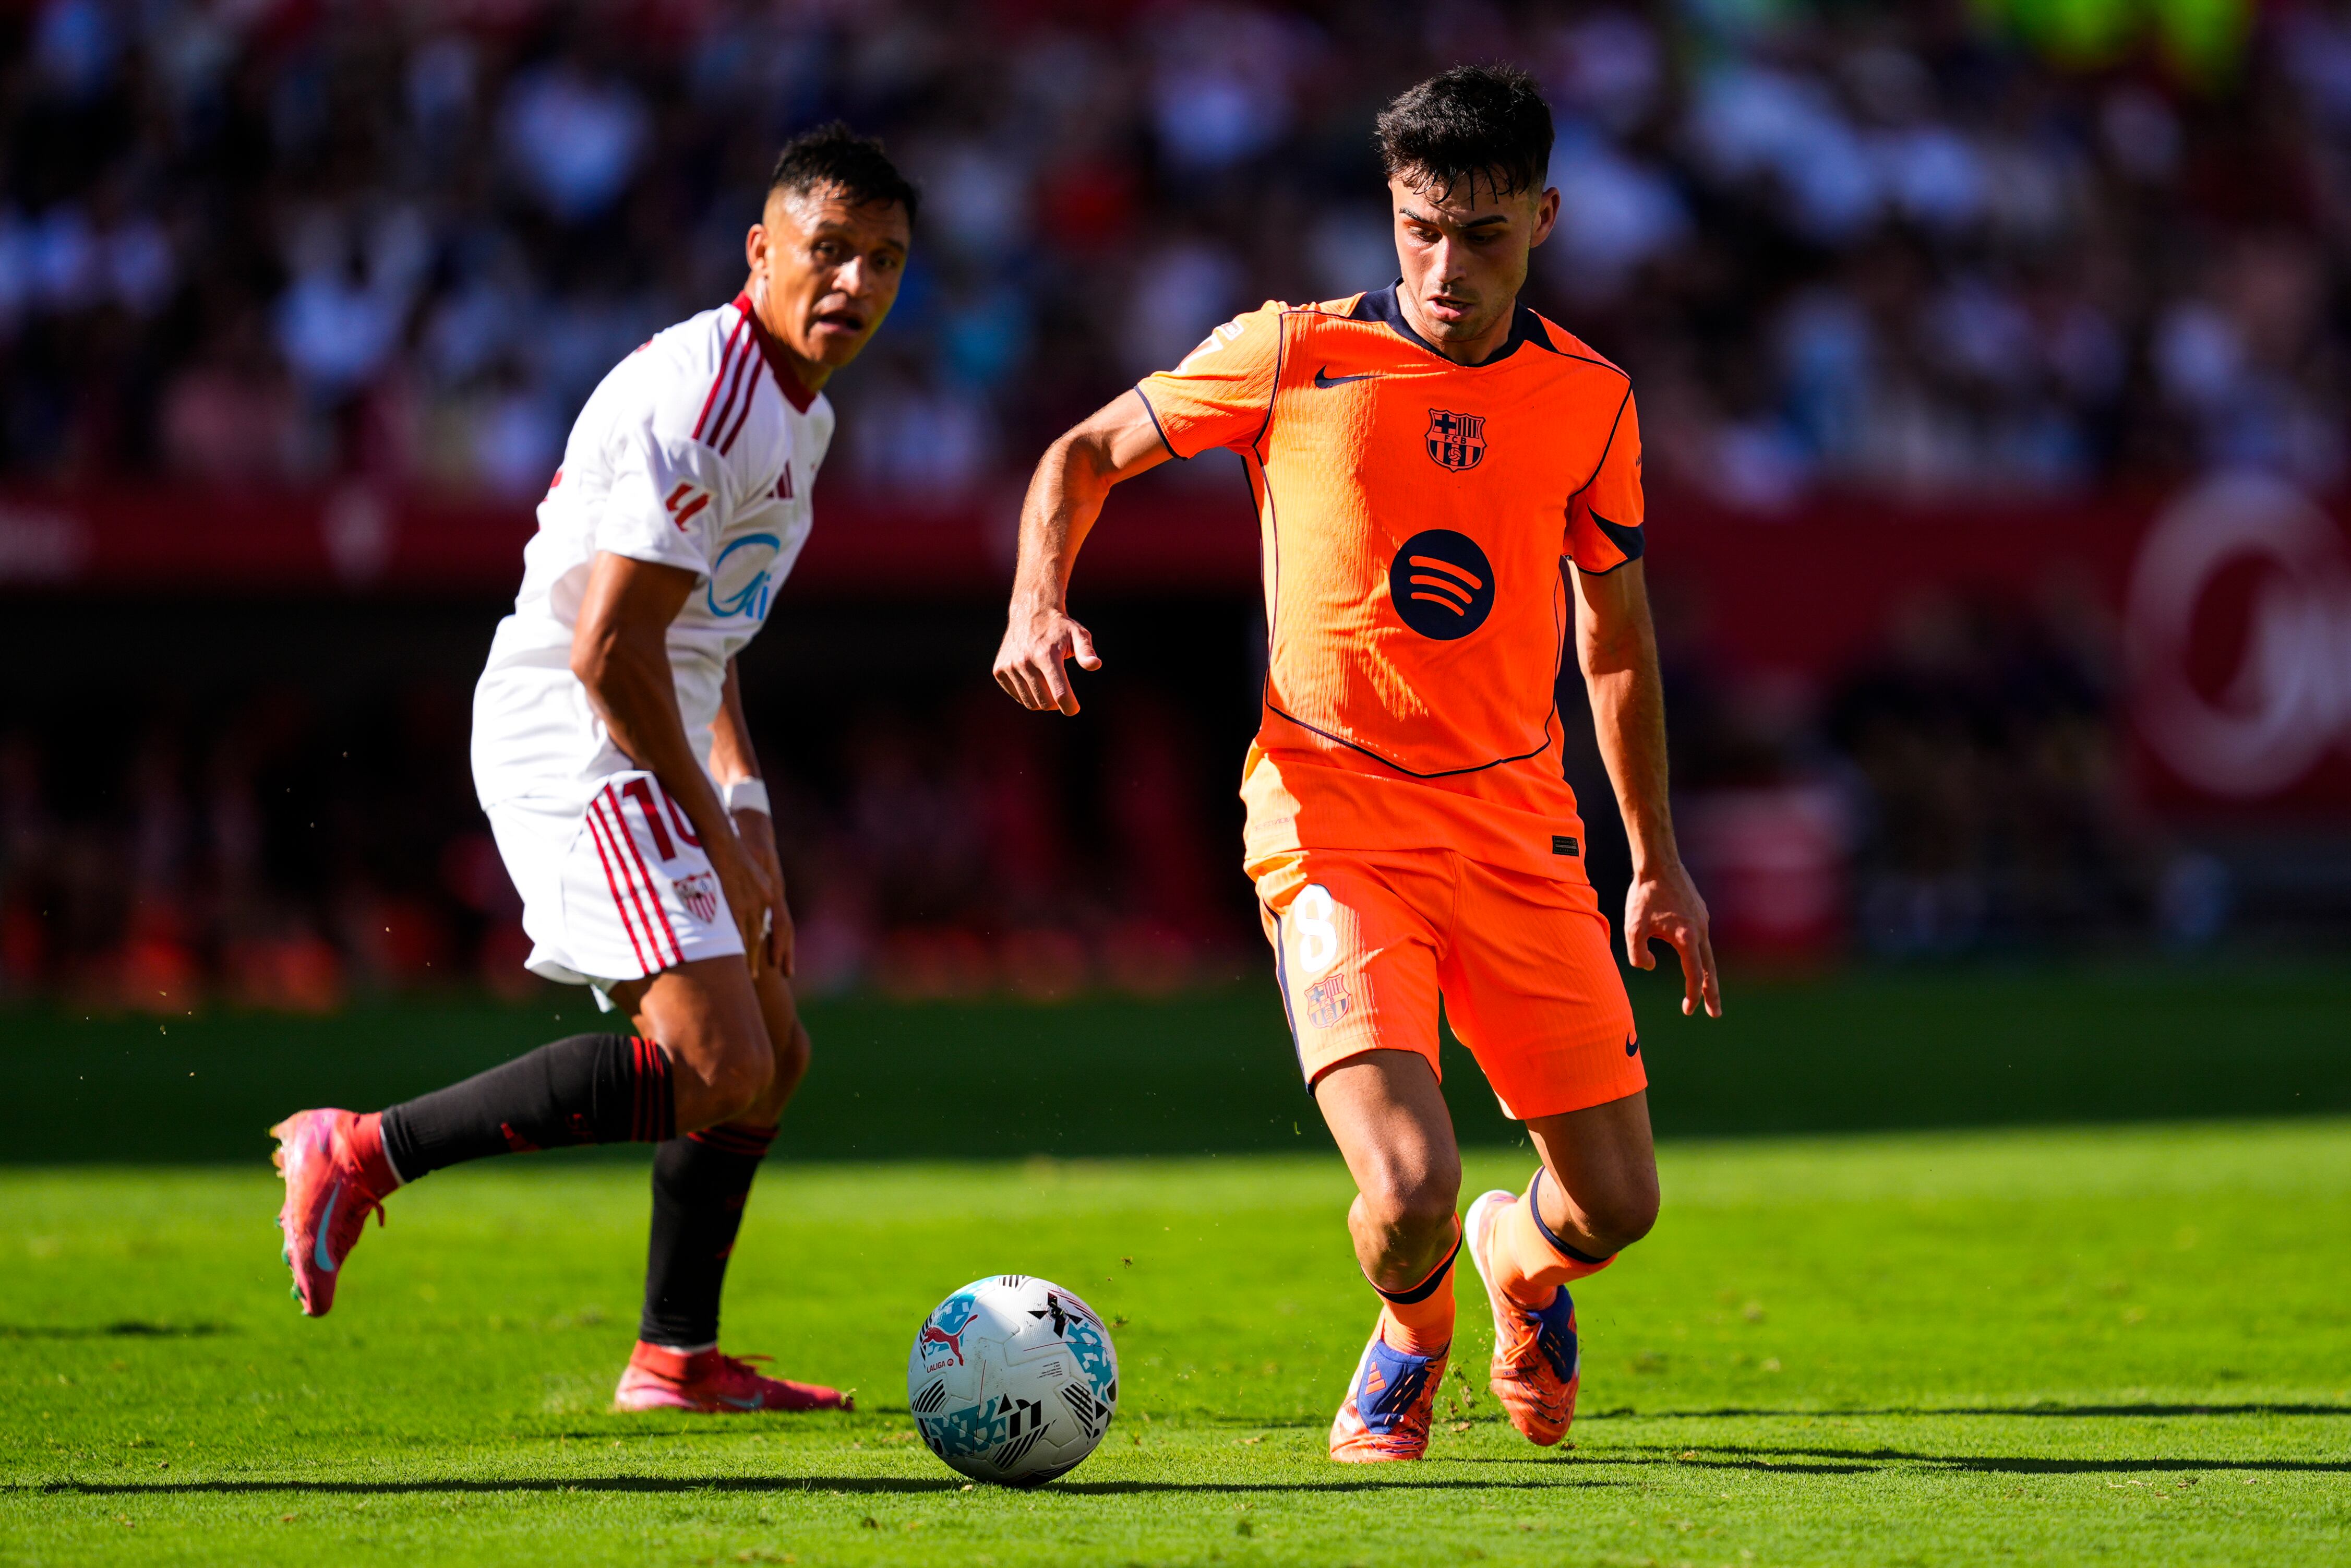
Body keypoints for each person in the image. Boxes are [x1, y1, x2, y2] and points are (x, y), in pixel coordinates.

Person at [992, 66, 1720, 1463]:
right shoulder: (1292, 352)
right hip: (1330, 820)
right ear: (1390, 213)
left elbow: (1614, 638)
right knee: (1405, 1183)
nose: (1446, 269)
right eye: (1419, 229)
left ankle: (1516, 1254)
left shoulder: (1593, 402)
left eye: (1486, 235)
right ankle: (1415, 1327)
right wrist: (1036, 600)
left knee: (1618, 1203)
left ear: (1546, 219)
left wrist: (1656, 858)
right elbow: (1082, 452)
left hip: (1519, 828)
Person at [269, 123, 915, 1415]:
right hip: (576, 730)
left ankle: (674, 1358)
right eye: (828, 251)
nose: (853, 284)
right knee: (719, 1061)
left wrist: (749, 810)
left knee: (772, 1053)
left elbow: (705, 633)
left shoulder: (806, 415)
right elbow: (610, 650)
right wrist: (718, 845)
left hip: (648, 726)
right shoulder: (710, 396)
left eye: (885, 262)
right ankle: (361, 1151)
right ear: (761, 249)